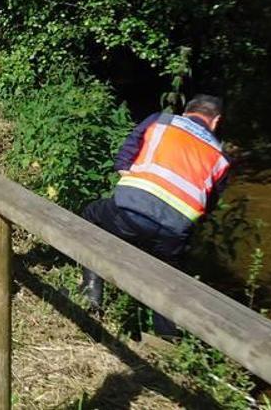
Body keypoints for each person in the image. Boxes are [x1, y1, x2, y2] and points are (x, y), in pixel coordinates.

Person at [76, 95, 230, 339]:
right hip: (173, 232)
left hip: (129, 212)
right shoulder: (221, 157)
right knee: (168, 279)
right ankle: (167, 339)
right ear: (216, 121)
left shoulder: (160, 121)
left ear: (186, 111)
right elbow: (208, 206)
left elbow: (124, 159)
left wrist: (138, 188)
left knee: (91, 217)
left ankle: (91, 293)